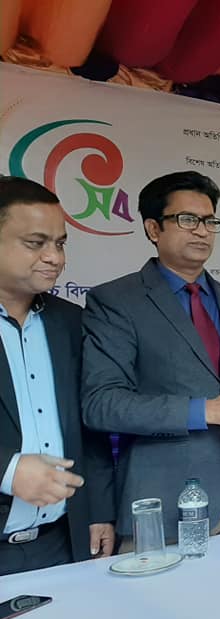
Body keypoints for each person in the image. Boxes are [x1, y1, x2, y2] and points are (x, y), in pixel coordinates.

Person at [82, 171, 220, 547]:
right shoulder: (116, 302)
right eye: (187, 219)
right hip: (164, 503)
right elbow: (102, 404)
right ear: (153, 229)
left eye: (209, 221)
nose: (202, 231)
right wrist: (207, 411)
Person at [0, 177, 115, 575]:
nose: (54, 257)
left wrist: (98, 510)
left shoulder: (70, 322)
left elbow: (89, 426)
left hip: (62, 543)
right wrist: (8, 470)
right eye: (36, 243)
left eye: (60, 243)